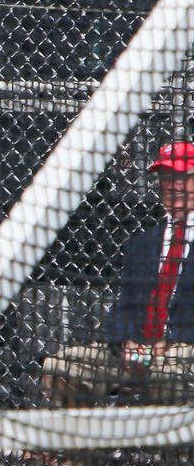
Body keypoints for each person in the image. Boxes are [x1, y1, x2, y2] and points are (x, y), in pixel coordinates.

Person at [42, 142, 194, 407]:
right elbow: (123, 307)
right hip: (140, 351)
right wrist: (126, 341)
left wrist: (170, 344)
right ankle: (85, 447)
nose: (173, 185)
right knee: (60, 365)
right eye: (166, 177)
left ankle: (174, 449)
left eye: (182, 176)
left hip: (184, 351)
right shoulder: (143, 243)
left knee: (168, 372)